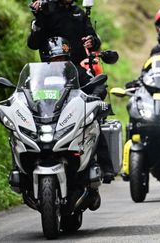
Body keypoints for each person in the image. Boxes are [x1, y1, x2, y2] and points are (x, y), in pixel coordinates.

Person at [41, 36, 115, 183]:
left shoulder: (77, 71)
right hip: (47, 115)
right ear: (47, 60)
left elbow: (98, 85)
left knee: (94, 125)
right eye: (56, 59)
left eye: (63, 58)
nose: (60, 62)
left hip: (74, 113)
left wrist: (94, 96)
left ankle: (106, 168)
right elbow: (27, 91)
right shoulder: (39, 77)